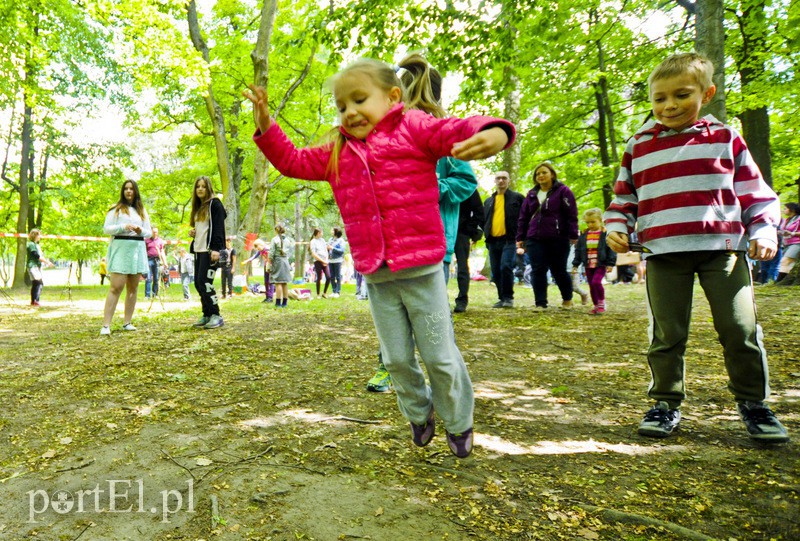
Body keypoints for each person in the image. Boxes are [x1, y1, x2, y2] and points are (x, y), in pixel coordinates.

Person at [245, 53, 515, 458]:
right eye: (341, 107)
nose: (350, 112)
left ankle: (458, 421)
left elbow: (454, 129)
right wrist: (266, 123)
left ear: (392, 97)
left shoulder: (413, 127)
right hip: (378, 275)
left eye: (358, 100)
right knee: (397, 359)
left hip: (422, 269)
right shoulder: (337, 152)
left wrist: (495, 132)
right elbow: (292, 161)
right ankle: (419, 413)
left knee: (439, 356)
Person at [604, 52, 788, 443]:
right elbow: (624, 198)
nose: (669, 105)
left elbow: (756, 194)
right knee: (667, 332)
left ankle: (754, 404)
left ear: (707, 93)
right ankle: (665, 403)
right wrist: (616, 226)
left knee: (739, 329)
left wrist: (764, 231)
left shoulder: (725, 138)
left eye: (682, 95)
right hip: (663, 252)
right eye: (659, 98)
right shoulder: (639, 145)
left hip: (722, 250)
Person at [516, 162, 579, 309]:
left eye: (544, 172)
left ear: (552, 174)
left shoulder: (563, 191)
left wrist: (573, 234)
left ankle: (567, 299)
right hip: (534, 238)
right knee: (538, 270)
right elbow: (523, 217)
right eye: (538, 174)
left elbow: (572, 214)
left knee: (559, 270)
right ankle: (540, 303)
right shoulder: (531, 194)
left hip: (558, 237)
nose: (541, 176)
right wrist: (520, 237)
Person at [101, 179, 151, 335]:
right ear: (123, 192)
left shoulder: (141, 211)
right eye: (126, 189)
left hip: (137, 249)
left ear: (135, 191)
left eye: (131, 189)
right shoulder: (116, 210)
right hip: (120, 249)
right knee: (116, 287)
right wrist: (123, 226)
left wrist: (140, 231)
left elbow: (148, 232)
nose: (129, 191)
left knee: (133, 288)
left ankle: (127, 322)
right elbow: (106, 229)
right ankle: (106, 325)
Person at [189, 176, 226, 329]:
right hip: (199, 250)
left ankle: (216, 315)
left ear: (208, 187)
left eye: (203, 186)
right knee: (198, 283)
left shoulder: (215, 204)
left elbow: (218, 227)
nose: (200, 189)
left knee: (206, 283)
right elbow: (204, 228)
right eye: (198, 186)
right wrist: (194, 233)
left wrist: (216, 249)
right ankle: (207, 314)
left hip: (210, 251)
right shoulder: (199, 207)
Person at [484, 171, 524, 308]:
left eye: (504, 178)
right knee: (495, 271)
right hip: (493, 241)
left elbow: (526, 217)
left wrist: (522, 237)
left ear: (509, 180)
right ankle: (502, 298)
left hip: (510, 240)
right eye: (498, 178)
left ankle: (508, 298)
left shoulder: (517, 198)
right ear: (494, 181)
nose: (501, 181)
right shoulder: (489, 201)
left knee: (506, 266)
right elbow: (485, 220)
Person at [572, 208, 616, 314]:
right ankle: (596, 305)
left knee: (596, 282)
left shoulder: (605, 234)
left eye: (593, 222)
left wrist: (610, 264)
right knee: (591, 285)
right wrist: (575, 265)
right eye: (588, 222)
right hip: (588, 264)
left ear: (600, 220)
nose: (590, 224)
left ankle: (601, 303)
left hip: (600, 263)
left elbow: (610, 249)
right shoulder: (583, 235)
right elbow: (578, 251)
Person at [454, 190, 484, 313]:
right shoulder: (440, 180)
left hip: (461, 233)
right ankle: (439, 300)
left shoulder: (468, 186)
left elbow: (479, 212)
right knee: (438, 266)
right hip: (441, 229)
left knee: (462, 267)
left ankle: (462, 300)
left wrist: (468, 229)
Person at [26, 228, 54, 306]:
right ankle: (36, 300)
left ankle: (33, 301)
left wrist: (46, 262)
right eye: (39, 235)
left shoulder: (36, 245)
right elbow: (36, 255)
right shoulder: (31, 244)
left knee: (35, 283)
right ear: (35, 235)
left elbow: (40, 255)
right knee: (39, 283)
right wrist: (47, 262)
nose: (40, 237)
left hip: (36, 266)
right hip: (33, 266)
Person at [268, 224, 292, 308]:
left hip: (277, 261)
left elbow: (271, 252)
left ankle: (278, 302)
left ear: (276, 230)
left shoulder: (274, 239)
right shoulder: (288, 240)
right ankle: (285, 302)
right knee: (284, 282)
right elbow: (290, 252)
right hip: (285, 260)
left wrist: (269, 262)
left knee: (278, 282)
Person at [243, 238, 274, 302]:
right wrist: (248, 260)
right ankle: (267, 296)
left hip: (271, 267)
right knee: (266, 281)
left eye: (257, 247)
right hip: (266, 266)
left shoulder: (268, 249)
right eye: (256, 248)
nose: (257, 249)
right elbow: (255, 256)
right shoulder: (261, 251)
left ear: (261, 244)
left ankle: (270, 297)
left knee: (270, 282)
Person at [776, 202, 800, 284]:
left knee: (785, 261)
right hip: (786, 243)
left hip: (797, 243)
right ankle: (785, 281)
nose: (784, 210)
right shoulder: (786, 220)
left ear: (792, 210)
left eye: (785, 208)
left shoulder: (799, 219)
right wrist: (780, 232)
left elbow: (793, 232)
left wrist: (792, 233)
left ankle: (778, 281)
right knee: (787, 263)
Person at [144, 227, 167, 299]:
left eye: (156, 232)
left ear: (158, 232)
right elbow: (144, 252)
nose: (155, 233)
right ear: (151, 232)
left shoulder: (160, 241)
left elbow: (162, 252)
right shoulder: (147, 240)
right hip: (149, 260)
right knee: (148, 278)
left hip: (157, 260)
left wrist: (165, 262)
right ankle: (147, 295)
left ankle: (155, 294)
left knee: (156, 278)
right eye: (153, 232)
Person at [308, 227, 331, 298]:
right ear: (318, 233)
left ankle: (324, 293)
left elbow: (325, 250)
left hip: (325, 261)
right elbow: (314, 254)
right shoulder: (313, 242)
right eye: (321, 232)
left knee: (328, 277)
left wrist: (326, 260)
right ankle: (318, 294)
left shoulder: (323, 240)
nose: (322, 234)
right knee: (319, 277)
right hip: (318, 261)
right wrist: (322, 260)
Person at [328, 227, 346, 298]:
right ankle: (334, 290)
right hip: (330, 260)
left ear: (336, 231)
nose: (331, 231)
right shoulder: (330, 239)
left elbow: (341, 250)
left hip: (338, 260)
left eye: (332, 230)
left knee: (338, 276)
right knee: (332, 276)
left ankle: (338, 292)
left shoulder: (341, 241)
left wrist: (332, 248)